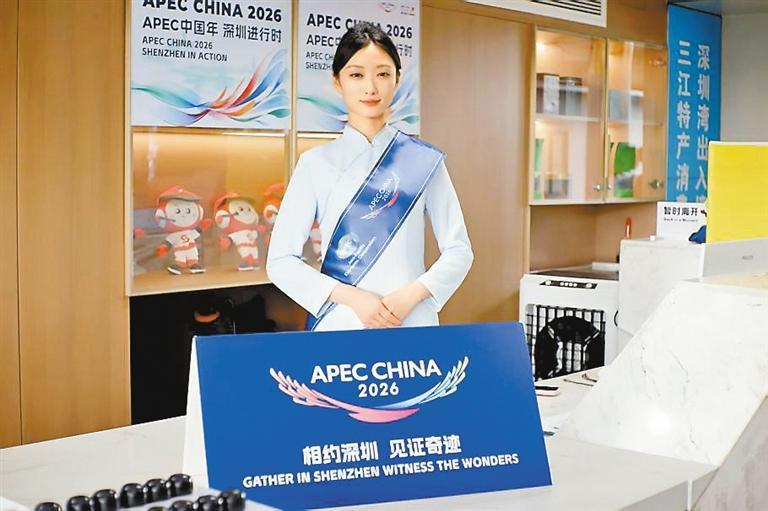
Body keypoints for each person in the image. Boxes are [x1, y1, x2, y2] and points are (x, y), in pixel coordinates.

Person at [266, 22, 473, 331]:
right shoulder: (314, 164)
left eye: (383, 74)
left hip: (409, 319)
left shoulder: (423, 160)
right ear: (337, 81)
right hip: (341, 320)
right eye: (356, 75)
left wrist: (411, 296)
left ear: (398, 79)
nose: (370, 87)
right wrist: (354, 299)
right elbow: (280, 262)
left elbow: (459, 251)